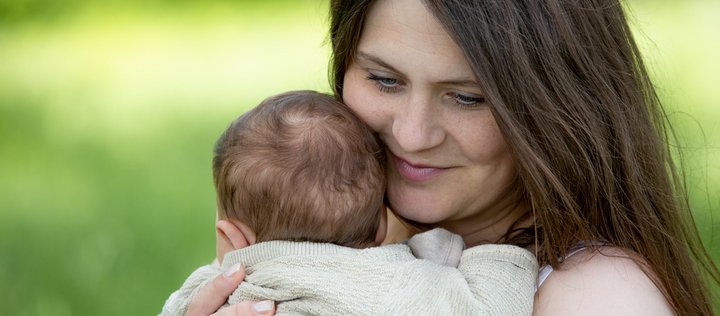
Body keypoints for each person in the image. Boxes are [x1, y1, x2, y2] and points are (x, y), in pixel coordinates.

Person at [181, 0, 720, 315]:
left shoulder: (597, 297)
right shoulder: (329, 256)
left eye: (467, 97)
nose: (412, 137)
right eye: (384, 79)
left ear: (559, 108)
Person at [161, 90, 538, 315]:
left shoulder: (218, 294)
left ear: (231, 235)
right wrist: (498, 251)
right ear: (380, 226)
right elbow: (496, 304)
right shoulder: (418, 279)